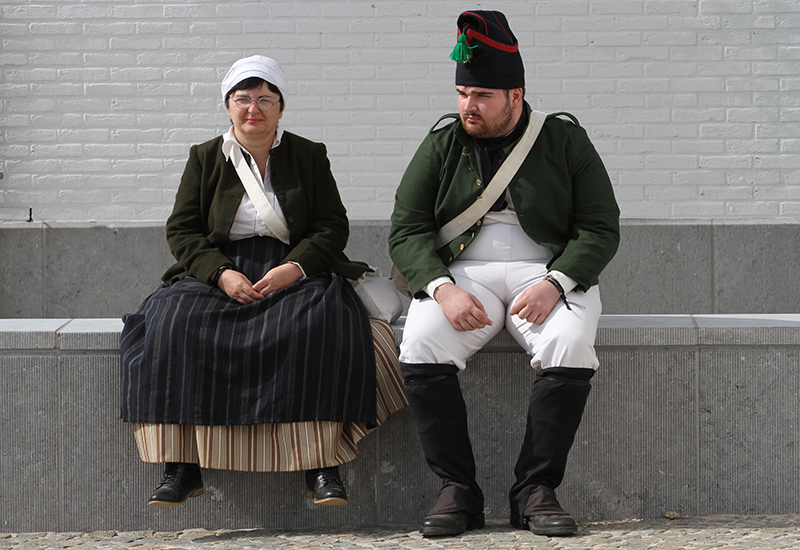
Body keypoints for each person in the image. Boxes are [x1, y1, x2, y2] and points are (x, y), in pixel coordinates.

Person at [120, 55, 406, 508]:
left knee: (323, 321)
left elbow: (332, 226)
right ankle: (181, 466)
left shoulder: (308, 155)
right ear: (228, 105)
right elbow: (182, 230)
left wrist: (296, 268)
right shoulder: (205, 157)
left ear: (280, 106)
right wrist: (220, 273)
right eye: (243, 99)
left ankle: (321, 463)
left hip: (293, 266)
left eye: (265, 99)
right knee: (173, 321)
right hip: (221, 266)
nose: (254, 108)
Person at [389, 11, 620, 538]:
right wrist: (441, 289)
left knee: (569, 341)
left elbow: (601, 227)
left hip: (546, 271)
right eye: (464, 93)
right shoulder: (442, 143)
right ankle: (458, 491)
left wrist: (556, 282)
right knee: (421, 342)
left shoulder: (564, 140)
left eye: (482, 96)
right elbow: (406, 230)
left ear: (515, 95)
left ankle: (535, 490)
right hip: (462, 273)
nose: (469, 106)